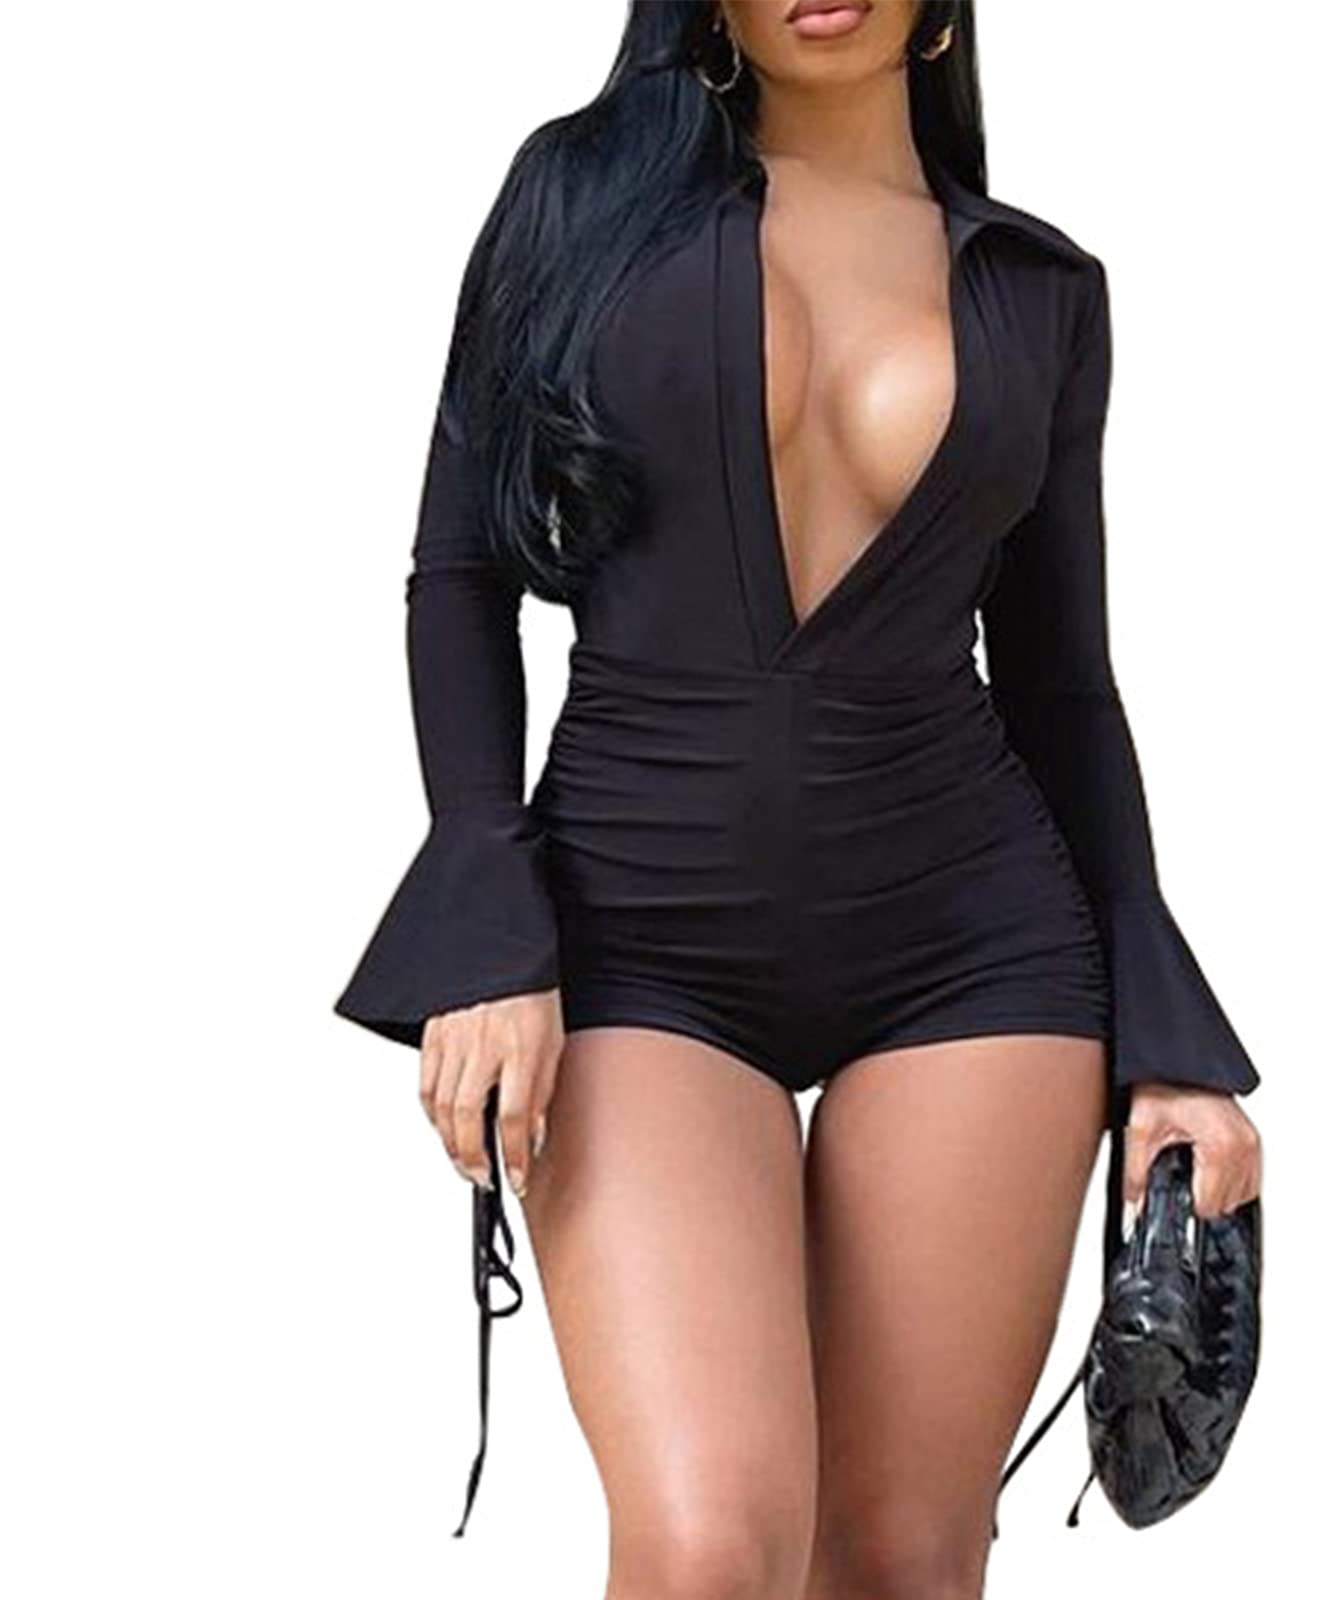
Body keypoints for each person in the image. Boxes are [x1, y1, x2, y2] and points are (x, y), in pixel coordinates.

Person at [333, 1, 1264, 1589]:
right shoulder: (576, 200)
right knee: (708, 1543)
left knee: (900, 1558)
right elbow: (460, 574)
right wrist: (484, 915)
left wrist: (1170, 1050)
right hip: (633, 939)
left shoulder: (1042, 292)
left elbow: (1062, 687)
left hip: (975, 949)